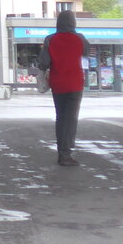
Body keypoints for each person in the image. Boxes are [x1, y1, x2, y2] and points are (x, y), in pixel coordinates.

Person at [38, 10, 89, 166]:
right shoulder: (80, 39)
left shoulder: (50, 39)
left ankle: (62, 151)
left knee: (60, 117)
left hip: (58, 84)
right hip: (75, 84)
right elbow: (86, 52)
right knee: (71, 118)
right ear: (73, 22)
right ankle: (66, 154)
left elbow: (43, 63)